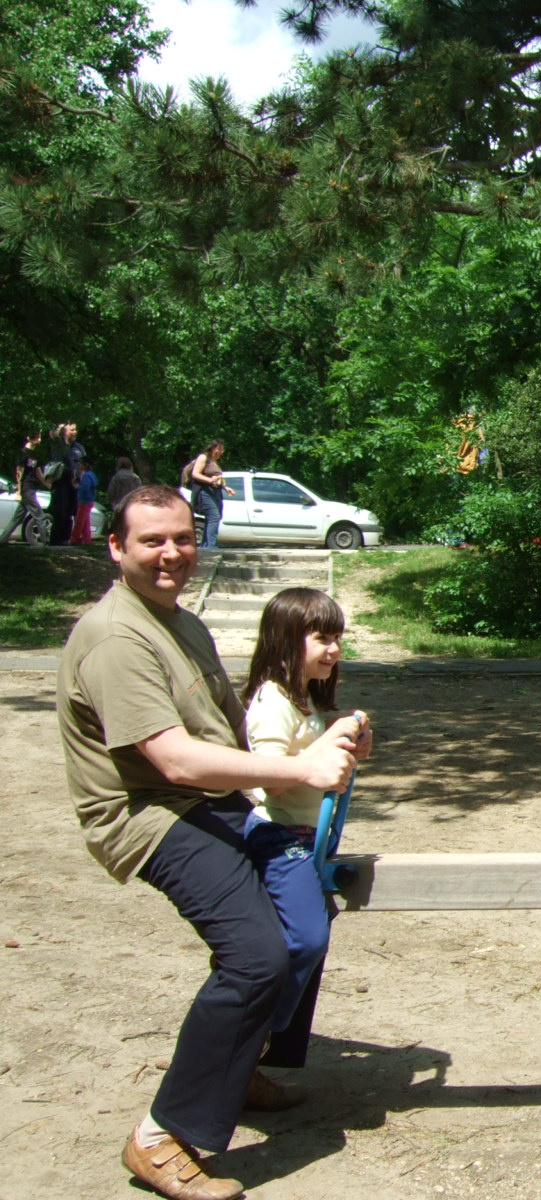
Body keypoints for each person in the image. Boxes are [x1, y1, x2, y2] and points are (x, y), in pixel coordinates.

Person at [57, 485, 357, 1200]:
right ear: (116, 547)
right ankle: (162, 1136)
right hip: (149, 814)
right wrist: (297, 769)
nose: (172, 554)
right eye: (152, 541)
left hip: (212, 804)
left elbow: (230, 735)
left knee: (304, 924)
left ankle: (239, 1064)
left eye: (183, 539)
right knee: (256, 955)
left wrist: (324, 738)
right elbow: (174, 762)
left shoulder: (177, 622)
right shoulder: (115, 638)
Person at [241, 588, 373, 1084]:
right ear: (285, 640)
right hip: (278, 837)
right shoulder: (272, 701)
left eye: (337, 638)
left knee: (313, 936)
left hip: (307, 838)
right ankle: (255, 1033)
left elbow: (325, 761)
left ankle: (267, 1053)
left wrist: (353, 744)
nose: (334, 649)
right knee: (305, 939)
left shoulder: (305, 701)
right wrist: (328, 740)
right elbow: (274, 776)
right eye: (322, 638)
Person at [185, 440, 233, 549]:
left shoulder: (214, 462)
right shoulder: (203, 457)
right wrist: (210, 481)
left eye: (222, 449)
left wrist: (226, 488)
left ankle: (205, 546)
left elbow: (218, 479)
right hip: (205, 491)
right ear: (212, 448)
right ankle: (211, 546)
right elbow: (195, 474)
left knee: (214, 517)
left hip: (215, 492)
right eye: (219, 449)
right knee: (214, 517)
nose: (221, 452)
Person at [2, 431, 47, 544]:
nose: (40, 440)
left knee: (17, 518)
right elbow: (19, 472)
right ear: (29, 438)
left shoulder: (34, 454)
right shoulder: (23, 453)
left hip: (32, 487)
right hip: (26, 488)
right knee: (39, 515)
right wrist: (18, 491)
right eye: (37, 437)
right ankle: (45, 541)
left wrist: (48, 484)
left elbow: (38, 471)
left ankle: (2, 540)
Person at [48, 421, 86, 545]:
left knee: (71, 512)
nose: (75, 432)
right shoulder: (58, 447)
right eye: (72, 430)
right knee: (59, 512)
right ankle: (55, 541)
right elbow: (54, 464)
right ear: (64, 431)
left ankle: (66, 539)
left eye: (75, 430)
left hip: (75, 485)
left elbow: (85, 465)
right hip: (60, 483)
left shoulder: (79, 448)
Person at [70, 456, 99, 544]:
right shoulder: (92, 474)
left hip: (84, 501)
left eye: (81, 463)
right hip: (89, 500)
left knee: (79, 520)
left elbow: (84, 488)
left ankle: (75, 539)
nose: (79, 465)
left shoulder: (86, 475)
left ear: (86, 465)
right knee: (86, 521)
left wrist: (76, 486)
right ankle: (87, 539)